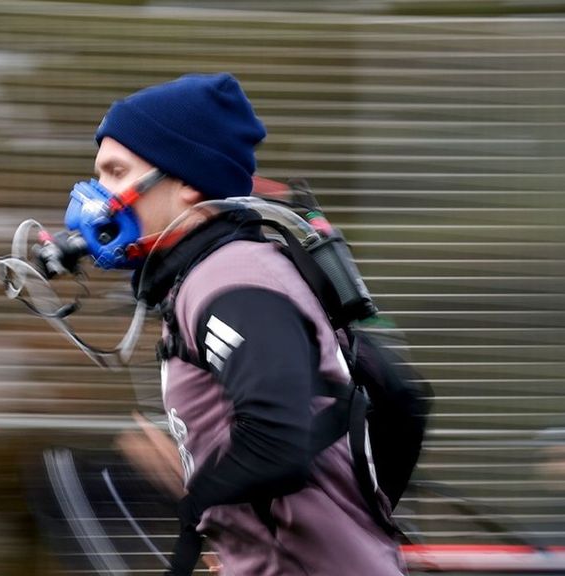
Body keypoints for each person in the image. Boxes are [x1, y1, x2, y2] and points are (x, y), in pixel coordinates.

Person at [90, 73, 407, 575]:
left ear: (186, 182)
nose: (98, 195)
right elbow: (402, 394)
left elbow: (278, 440)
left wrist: (200, 504)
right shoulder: (213, 276)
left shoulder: (230, 279)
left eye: (115, 171)